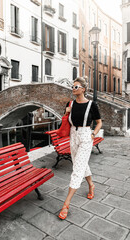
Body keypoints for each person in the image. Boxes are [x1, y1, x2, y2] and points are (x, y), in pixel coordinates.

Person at [58, 77, 102, 220]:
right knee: (81, 163)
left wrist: (93, 134)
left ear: (83, 89)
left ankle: (66, 203)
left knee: (77, 169)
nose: (73, 89)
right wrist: (66, 112)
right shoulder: (70, 103)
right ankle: (91, 185)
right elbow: (65, 121)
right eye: (73, 86)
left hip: (85, 136)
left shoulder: (91, 105)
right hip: (73, 136)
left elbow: (99, 123)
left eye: (76, 87)